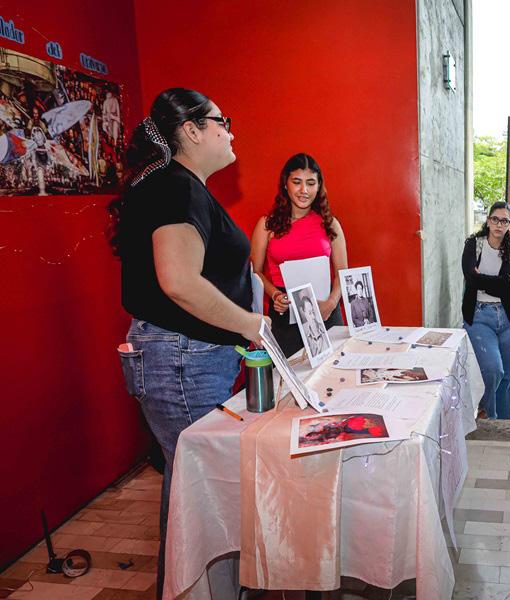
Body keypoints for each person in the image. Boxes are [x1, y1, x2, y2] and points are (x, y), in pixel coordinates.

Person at [108, 88, 267, 599]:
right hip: (182, 359)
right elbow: (178, 281)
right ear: (192, 131)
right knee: (203, 491)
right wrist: (249, 323)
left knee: (190, 488)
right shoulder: (176, 187)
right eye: (223, 121)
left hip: (186, 357)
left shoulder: (176, 185)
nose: (231, 131)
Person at [251, 153, 347, 357]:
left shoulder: (331, 224)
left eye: (311, 183)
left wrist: (331, 304)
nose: (304, 190)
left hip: (326, 310)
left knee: (333, 371)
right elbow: (255, 272)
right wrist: (275, 295)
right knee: (287, 374)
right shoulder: (266, 225)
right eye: (297, 182)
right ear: (285, 184)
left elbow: (343, 273)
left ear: (318, 186)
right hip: (285, 311)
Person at [461, 201, 510, 420]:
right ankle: (488, 416)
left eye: (504, 221)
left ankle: (507, 425)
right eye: (495, 219)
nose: (499, 225)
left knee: (508, 378)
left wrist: (484, 280)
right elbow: (471, 279)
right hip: (479, 317)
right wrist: (505, 281)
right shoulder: (474, 245)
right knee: (492, 370)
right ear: (488, 221)